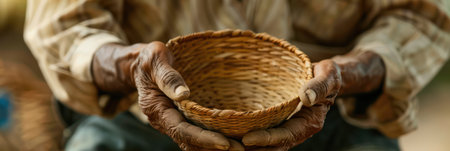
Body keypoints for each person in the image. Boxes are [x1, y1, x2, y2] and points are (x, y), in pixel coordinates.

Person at [24, 0, 449, 150]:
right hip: (146, 120)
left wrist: (353, 71)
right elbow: (61, 25)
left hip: (328, 115)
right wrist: (128, 64)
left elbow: (420, 16)